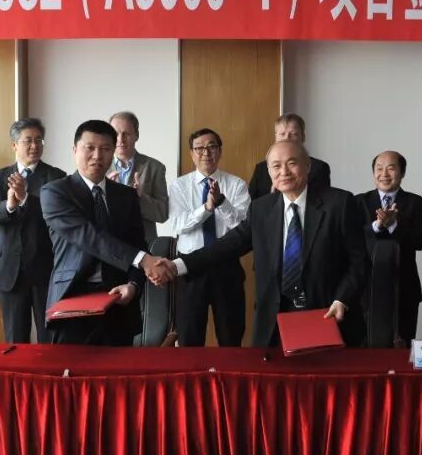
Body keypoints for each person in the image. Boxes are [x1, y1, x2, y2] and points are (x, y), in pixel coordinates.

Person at [152, 140, 367, 348]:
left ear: (307, 166)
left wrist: (342, 299)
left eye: (292, 163)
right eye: (276, 166)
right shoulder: (261, 209)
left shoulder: (339, 204)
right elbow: (225, 246)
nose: (284, 172)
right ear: (269, 172)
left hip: (327, 313)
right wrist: (177, 265)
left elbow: (359, 262)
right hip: (274, 320)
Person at [41, 120, 168, 346]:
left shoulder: (126, 196)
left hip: (118, 300)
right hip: (72, 300)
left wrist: (134, 285)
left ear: (113, 152)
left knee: (118, 367)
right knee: (72, 367)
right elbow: (89, 236)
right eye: (89, 148)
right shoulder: (55, 192)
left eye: (106, 148)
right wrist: (143, 260)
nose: (97, 156)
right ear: (75, 150)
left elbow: (138, 244)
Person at [0, 118, 66, 344]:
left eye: (39, 140)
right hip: (10, 271)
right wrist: (9, 206)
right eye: (28, 140)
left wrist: (26, 198)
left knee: (50, 337)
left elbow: (58, 215)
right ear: (14, 145)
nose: (34, 146)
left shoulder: (56, 177)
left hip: (46, 268)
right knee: (15, 338)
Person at [167, 128, 250, 347]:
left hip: (226, 266)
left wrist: (222, 202)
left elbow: (243, 229)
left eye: (212, 147)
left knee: (231, 336)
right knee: (189, 336)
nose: (206, 153)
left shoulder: (237, 184)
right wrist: (206, 208)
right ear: (191, 154)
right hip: (191, 268)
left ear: (220, 151)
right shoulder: (179, 185)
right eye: (199, 148)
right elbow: (178, 225)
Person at [355, 151, 422, 341]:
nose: (384, 174)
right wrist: (377, 225)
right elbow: (352, 240)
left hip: (404, 286)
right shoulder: (358, 202)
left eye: (391, 168)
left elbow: (420, 242)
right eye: (379, 168)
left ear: (402, 172)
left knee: (402, 343)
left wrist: (394, 225)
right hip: (366, 287)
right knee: (365, 344)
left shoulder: (417, 203)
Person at [108, 111, 169, 248]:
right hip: (108, 245)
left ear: (136, 135)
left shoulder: (155, 167)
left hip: (143, 246)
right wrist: (104, 192)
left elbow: (162, 214)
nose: (120, 139)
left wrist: (140, 197)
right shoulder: (99, 166)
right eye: (116, 133)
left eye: (126, 134)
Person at [247, 113, 332, 200]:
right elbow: (251, 203)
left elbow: (323, 201)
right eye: (282, 134)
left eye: (293, 134)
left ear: (303, 137)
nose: (286, 138)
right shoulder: (261, 169)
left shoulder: (319, 167)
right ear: (275, 137)